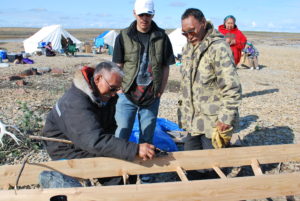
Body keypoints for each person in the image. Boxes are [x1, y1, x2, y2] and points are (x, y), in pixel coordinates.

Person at [42, 61, 155, 185]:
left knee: (128, 165)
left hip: (88, 139)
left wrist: (123, 150)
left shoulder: (106, 95)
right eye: (112, 88)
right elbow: (93, 141)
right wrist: (135, 148)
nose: (114, 94)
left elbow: (109, 126)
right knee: (114, 172)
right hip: (65, 146)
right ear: (98, 79)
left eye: (118, 89)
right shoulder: (75, 102)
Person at [178, 8, 242, 153]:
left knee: (213, 166)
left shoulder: (218, 48)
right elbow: (186, 84)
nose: (189, 36)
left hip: (212, 122)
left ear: (203, 23)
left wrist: (226, 119)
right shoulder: (188, 48)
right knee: (192, 163)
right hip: (192, 121)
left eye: (192, 31)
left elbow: (232, 88)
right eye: (185, 33)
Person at [112, 0, 175, 144]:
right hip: (127, 94)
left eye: (148, 14)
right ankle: (120, 166)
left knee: (147, 137)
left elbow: (166, 66)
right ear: (134, 13)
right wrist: (118, 89)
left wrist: (161, 89)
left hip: (151, 96)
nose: (144, 18)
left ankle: (143, 166)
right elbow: (117, 65)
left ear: (153, 15)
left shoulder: (162, 37)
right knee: (121, 134)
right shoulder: (124, 36)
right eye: (141, 15)